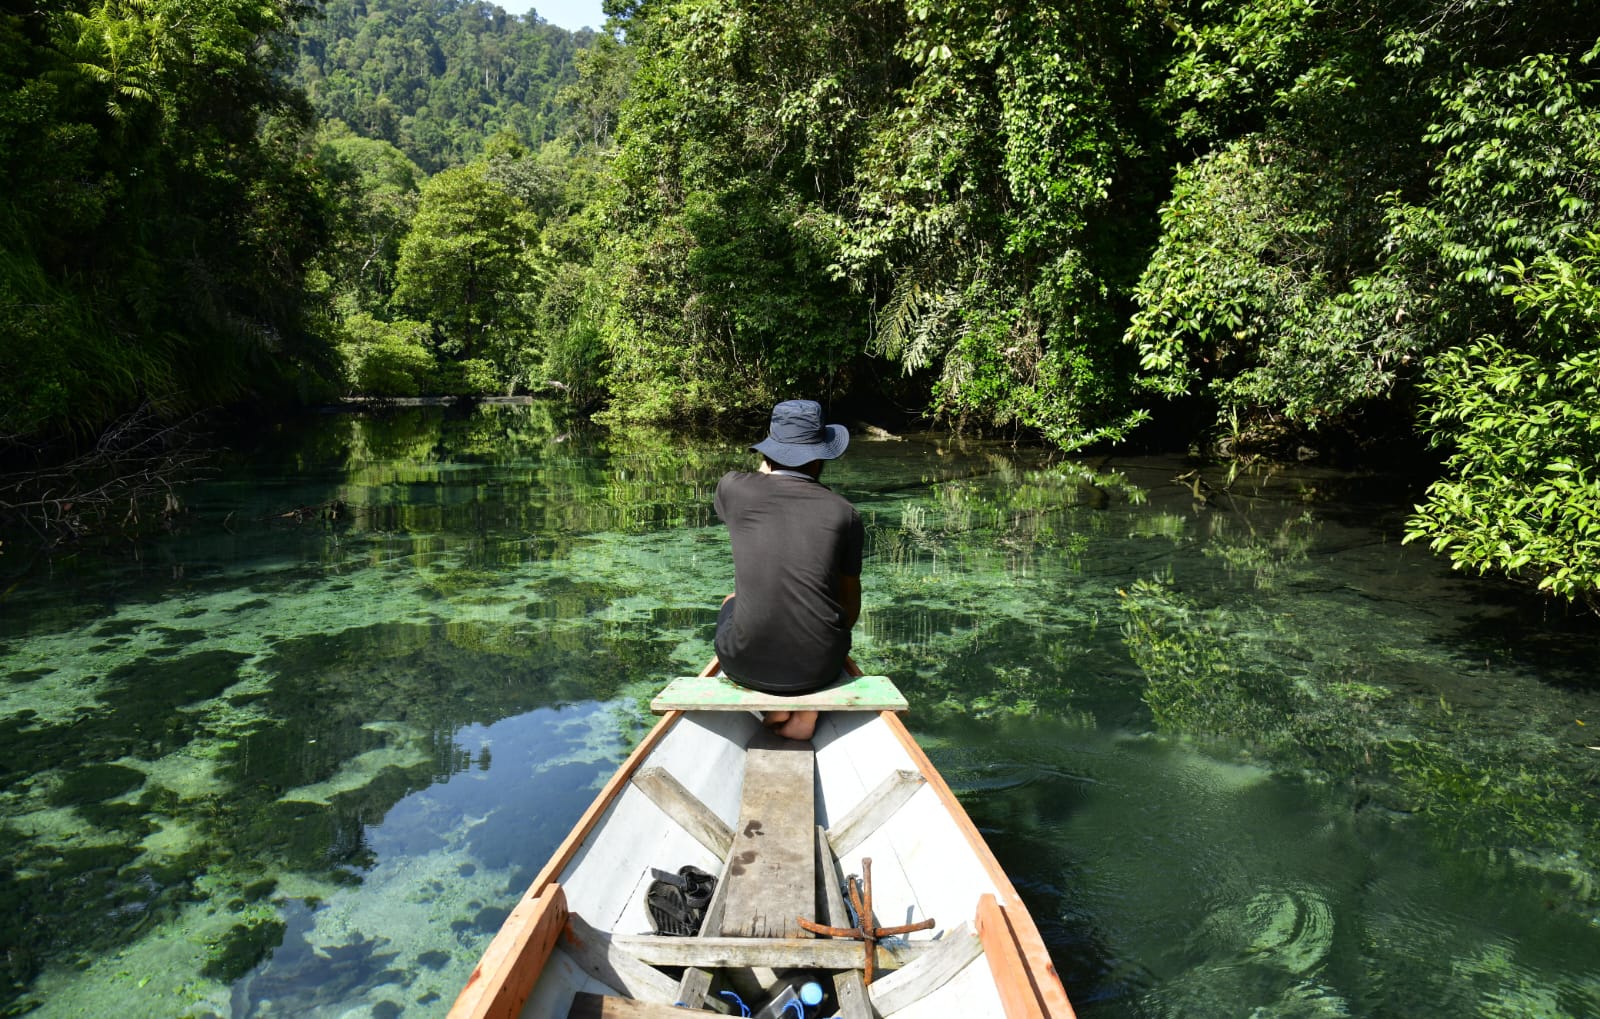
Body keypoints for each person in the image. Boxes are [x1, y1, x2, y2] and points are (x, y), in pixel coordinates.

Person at [714, 400, 864, 740]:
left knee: (732, 599)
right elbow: (849, 607)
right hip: (819, 667)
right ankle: (804, 711)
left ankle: (778, 705)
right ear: (821, 457)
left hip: (743, 664)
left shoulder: (733, 488)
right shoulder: (845, 514)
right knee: (826, 617)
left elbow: (762, 491)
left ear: (768, 452)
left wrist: (769, 470)